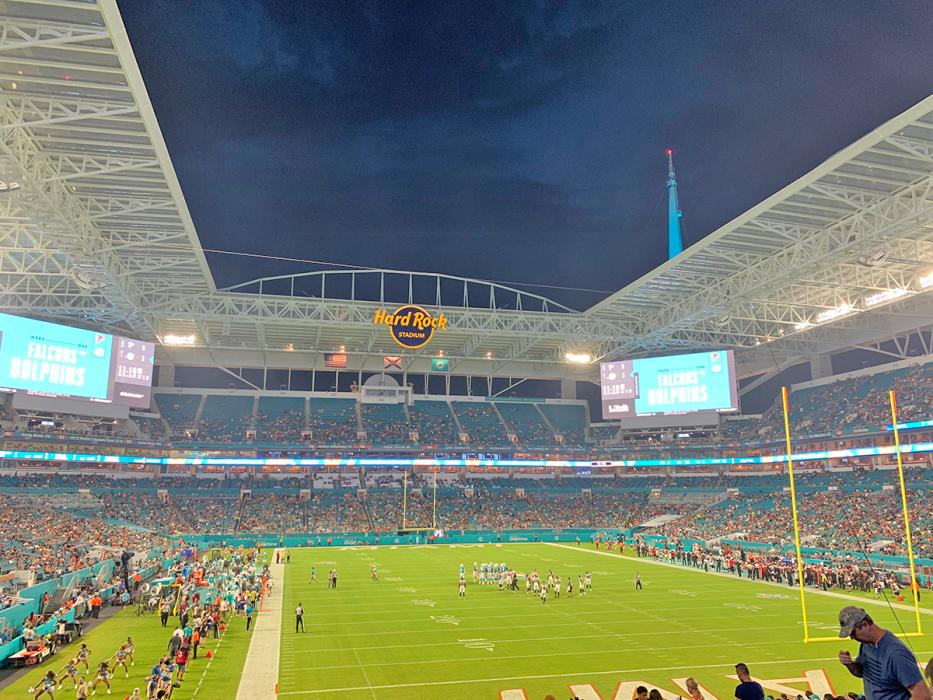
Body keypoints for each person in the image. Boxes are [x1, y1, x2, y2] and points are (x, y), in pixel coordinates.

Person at [837, 606, 929, 700]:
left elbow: (923, 696)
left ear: (865, 625)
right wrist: (849, 664)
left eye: (853, 633)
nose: (852, 637)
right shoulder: (866, 645)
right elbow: (863, 672)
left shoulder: (897, 654)